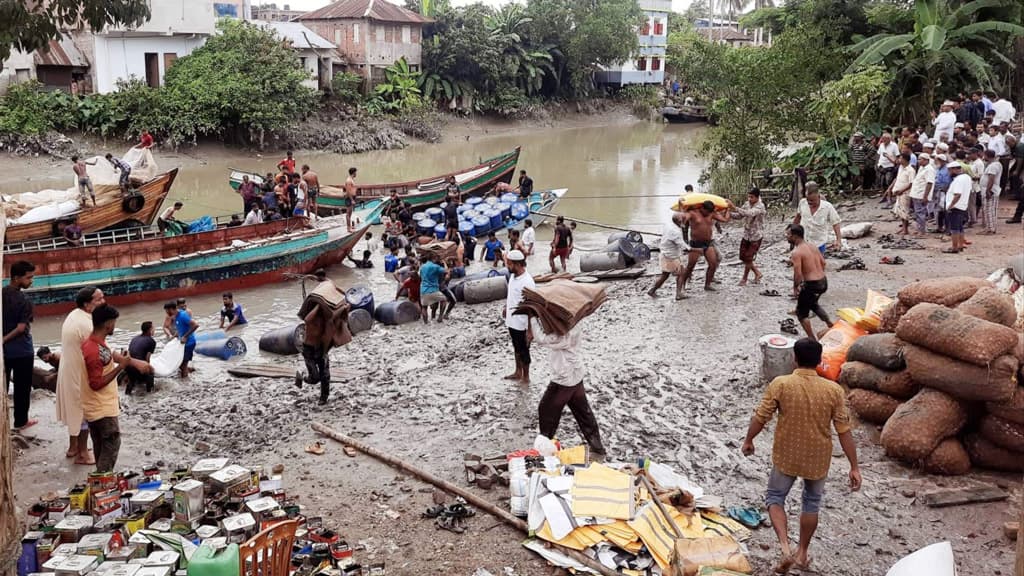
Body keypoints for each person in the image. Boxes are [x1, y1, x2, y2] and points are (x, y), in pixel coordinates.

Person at [741, 338, 860, 575]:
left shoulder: (781, 384)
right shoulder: (833, 391)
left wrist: (749, 440)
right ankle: (802, 552)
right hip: (818, 458)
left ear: (794, 358)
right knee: (811, 502)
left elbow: (761, 416)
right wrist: (854, 466)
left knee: (775, 498)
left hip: (787, 455)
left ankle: (785, 547)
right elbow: (844, 431)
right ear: (819, 361)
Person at [530, 314, 606, 457]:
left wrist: (533, 318)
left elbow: (542, 339)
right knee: (583, 413)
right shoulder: (575, 322)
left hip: (563, 379)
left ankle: (544, 449)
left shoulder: (562, 334)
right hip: (576, 374)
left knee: (546, 411)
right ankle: (597, 447)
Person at [57, 287, 105, 465]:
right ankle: (83, 453)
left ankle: (73, 447)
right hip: (78, 373)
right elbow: (100, 348)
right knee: (83, 412)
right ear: (87, 304)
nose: (103, 302)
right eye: (99, 299)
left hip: (69, 369)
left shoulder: (75, 315)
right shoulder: (87, 324)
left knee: (75, 409)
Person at [82, 304, 129, 472]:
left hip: (96, 407)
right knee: (111, 443)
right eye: (114, 323)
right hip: (101, 408)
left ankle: (101, 484)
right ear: (108, 324)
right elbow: (95, 384)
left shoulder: (92, 343)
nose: (114, 326)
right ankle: (102, 482)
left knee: (101, 446)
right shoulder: (95, 350)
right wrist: (121, 366)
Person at [3, 260, 37, 431]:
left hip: (5, 352)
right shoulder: (24, 300)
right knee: (22, 388)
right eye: (29, 277)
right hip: (22, 350)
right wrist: (3, 340)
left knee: (4, 387)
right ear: (16, 278)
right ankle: (21, 421)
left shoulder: (2, 294)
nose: (32, 280)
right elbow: (21, 328)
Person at [788, 224, 832, 341]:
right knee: (813, 304)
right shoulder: (813, 246)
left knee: (801, 314)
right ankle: (830, 324)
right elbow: (823, 263)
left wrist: (795, 287)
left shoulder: (796, 252)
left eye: (788, 235)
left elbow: (798, 274)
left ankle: (812, 339)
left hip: (812, 284)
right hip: (823, 281)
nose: (787, 237)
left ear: (795, 236)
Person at [677, 201, 730, 296]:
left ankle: (707, 285)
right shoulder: (693, 213)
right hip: (695, 244)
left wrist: (727, 209)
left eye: (710, 212)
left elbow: (725, 220)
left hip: (708, 243)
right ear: (702, 208)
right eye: (707, 212)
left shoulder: (711, 213)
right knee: (690, 267)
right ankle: (682, 286)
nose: (708, 214)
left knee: (713, 264)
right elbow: (682, 219)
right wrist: (681, 207)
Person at [504, 250, 535, 384]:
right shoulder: (513, 276)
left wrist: (530, 330)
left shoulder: (527, 282)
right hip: (512, 320)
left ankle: (526, 377)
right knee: (516, 347)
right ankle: (518, 371)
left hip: (522, 323)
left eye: (509, 264)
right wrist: (506, 307)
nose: (507, 266)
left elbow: (532, 306)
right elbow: (512, 295)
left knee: (524, 351)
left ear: (517, 264)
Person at [732, 188, 767, 286]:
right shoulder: (747, 204)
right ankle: (757, 273)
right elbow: (740, 215)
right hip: (746, 234)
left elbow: (749, 213)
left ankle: (744, 278)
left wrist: (734, 207)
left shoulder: (760, 206)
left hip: (756, 236)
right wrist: (728, 214)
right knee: (743, 257)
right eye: (748, 196)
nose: (749, 199)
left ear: (757, 197)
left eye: (751, 197)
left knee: (748, 258)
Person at [648, 212, 687, 298]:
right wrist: (692, 249)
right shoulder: (675, 232)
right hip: (671, 256)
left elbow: (679, 216)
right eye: (683, 220)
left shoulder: (669, 225)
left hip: (664, 254)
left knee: (665, 275)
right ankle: (678, 294)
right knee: (681, 273)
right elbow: (682, 246)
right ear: (679, 222)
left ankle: (652, 290)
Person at [945, 161, 971, 253]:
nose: (949, 173)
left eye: (950, 170)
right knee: (960, 227)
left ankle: (954, 247)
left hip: (956, 207)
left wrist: (950, 206)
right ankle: (960, 245)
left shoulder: (958, 180)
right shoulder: (967, 177)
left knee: (954, 229)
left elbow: (957, 194)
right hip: (963, 206)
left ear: (955, 169)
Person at [124, 322, 156, 395]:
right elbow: (147, 358)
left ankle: (127, 393)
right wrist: (150, 369)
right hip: (138, 366)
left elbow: (130, 352)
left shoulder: (135, 338)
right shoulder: (151, 341)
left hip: (128, 365)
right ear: (150, 330)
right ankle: (150, 395)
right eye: (153, 328)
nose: (154, 330)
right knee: (151, 373)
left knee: (131, 381)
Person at [887, 153, 915, 235]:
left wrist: (901, 191)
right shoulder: (901, 168)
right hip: (899, 192)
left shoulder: (911, 170)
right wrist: (892, 187)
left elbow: (911, 184)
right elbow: (897, 178)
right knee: (900, 211)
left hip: (905, 193)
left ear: (905, 160)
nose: (899, 160)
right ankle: (903, 228)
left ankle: (906, 229)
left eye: (901, 158)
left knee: (904, 211)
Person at [908, 152, 935, 236]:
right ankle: (919, 228)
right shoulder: (921, 168)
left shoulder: (929, 169)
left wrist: (925, 196)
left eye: (920, 159)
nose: (918, 161)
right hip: (916, 193)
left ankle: (922, 231)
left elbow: (929, 183)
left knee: (921, 213)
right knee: (917, 213)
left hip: (921, 194)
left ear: (926, 160)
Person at [418, 253, 450, 323]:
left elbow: (420, 276)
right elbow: (446, 271)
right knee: (444, 300)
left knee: (424, 307)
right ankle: (440, 317)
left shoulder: (422, 267)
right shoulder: (435, 267)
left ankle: (425, 323)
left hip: (423, 289)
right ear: (434, 258)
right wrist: (444, 263)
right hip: (433, 290)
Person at [981, 148, 1003, 234]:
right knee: (991, 210)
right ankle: (991, 228)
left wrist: (988, 190)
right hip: (993, 189)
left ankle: (990, 229)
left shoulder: (993, 166)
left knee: (988, 210)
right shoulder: (995, 164)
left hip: (991, 189)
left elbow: (991, 179)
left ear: (986, 155)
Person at [175, 299, 198, 377]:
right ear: (177, 306)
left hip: (188, 341)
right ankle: (189, 370)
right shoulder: (175, 314)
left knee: (183, 364)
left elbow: (192, 325)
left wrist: (185, 336)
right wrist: (175, 335)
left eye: (184, 306)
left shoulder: (186, 313)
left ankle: (186, 382)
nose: (184, 307)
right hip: (182, 340)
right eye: (182, 306)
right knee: (181, 364)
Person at [931, 154, 951, 234]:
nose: (936, 162)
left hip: (944, 191)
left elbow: (947, 181)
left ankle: (947, 228)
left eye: (938, 160)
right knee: (939, 210)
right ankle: (940, 227)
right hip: (938, 190)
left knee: (945, 210)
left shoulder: (946, 169)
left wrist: (945, 190)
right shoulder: (938, 168)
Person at [1006, 134, 1024, 224]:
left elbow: (1020, 159)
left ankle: (1017, 217)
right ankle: (1017, 217)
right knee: (1022, 199)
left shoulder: (1020, 146)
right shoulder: (1017, 147)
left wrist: (1017, 171)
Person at [876, 132, 900, 199]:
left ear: (889, 139)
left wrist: (896, 163)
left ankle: (890, 194)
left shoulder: (894, 145)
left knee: (888, 180)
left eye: (885, 139)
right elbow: (878, 154)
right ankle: (885, 194)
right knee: (882, 181)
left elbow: (898, 155)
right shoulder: (881, 145)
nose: (883, 140)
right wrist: (877, 164)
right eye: (882, 138)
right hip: (881, 165)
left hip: (890, 166)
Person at [345, 167, 358, 232]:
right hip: (349, 198)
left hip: (352, 197)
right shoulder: (349, 180)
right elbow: (348, 191)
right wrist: (352, 200)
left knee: (350, 213)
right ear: (354, 172)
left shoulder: (351, 179)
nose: (356, 174)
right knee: (348, 213)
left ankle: (349, 227)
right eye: (356, 172)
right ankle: (348, 228)